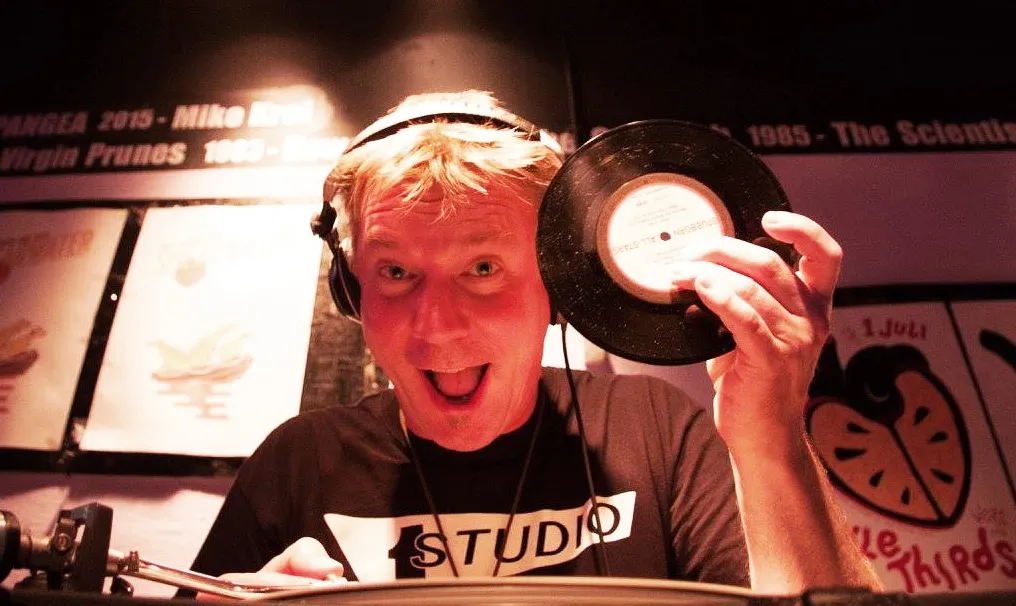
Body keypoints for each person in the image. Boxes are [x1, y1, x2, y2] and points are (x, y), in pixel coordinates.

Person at [182, 90, 882, 597]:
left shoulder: (658, 432)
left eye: (483, 268)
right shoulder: (296, 464)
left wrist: (770, 436)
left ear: (557, 288)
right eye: (395, 272)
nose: (437, 326)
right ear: (350, 288)